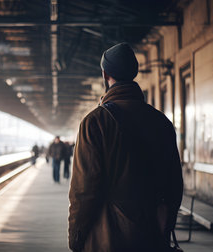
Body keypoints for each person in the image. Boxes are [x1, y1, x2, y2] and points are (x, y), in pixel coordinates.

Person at [68, 43, 183, 251]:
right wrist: (164, 227)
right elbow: (174, 184)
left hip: (107, 239)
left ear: (105, 74)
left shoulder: (94, 122)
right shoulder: (161, 122)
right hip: (152, 237)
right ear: (134, 72)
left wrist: (76, 237)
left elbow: (83, 191)